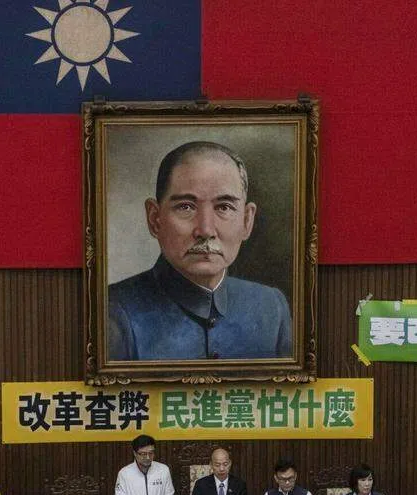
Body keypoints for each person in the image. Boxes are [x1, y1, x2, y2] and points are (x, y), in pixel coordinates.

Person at [108, 141, 292, 361]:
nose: (205, 230)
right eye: (186, 207)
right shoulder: (113, 311)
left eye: (224, 207)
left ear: (247, 220)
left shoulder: (271, 306)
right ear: (155, 219)